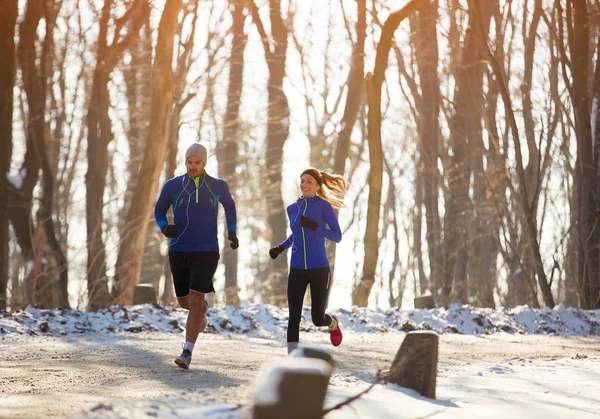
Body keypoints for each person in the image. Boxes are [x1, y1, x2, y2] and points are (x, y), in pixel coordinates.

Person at [155, 143, 238, 370]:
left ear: (204, 163)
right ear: (185, 162)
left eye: (197, 162)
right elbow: (159, 210)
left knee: (194, 300)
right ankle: (202, 308)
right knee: (184, 301)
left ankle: (187, 351)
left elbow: (230, 207)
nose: (193, 166)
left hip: (206, 250)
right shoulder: (173, 186)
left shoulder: (217, 185)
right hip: (179, 248)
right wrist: (164, 227)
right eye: (190, 162)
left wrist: (232, 231)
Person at [269, 168, 347, 354]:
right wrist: (281, 247)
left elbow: (337, 236)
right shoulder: (292, 208)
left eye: (309, 181)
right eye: (302, 180)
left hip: (319, 268)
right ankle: (292, 357)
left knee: (317, 319)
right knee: (294, 314)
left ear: (318, 185)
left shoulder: (323, 206)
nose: (304, 184)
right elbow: (296, 235)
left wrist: (315, 226)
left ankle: (333, 323)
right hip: (296, 269)